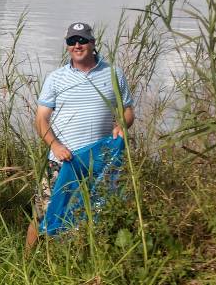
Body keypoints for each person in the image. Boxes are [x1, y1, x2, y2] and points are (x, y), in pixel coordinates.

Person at [25, 21, 135, 249]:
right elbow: (41, 119)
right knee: (41, 212)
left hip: (100, 163)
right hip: (62, 160)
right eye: (72, 41)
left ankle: (83, 260)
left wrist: (121, 126)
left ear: (92, 43)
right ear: (67, 46)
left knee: (93, 214)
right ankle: (27, 263)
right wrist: (54, 145)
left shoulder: (114, 74)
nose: (77, 45)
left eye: (82, 40)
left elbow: (128, 110)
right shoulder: (55, 78)